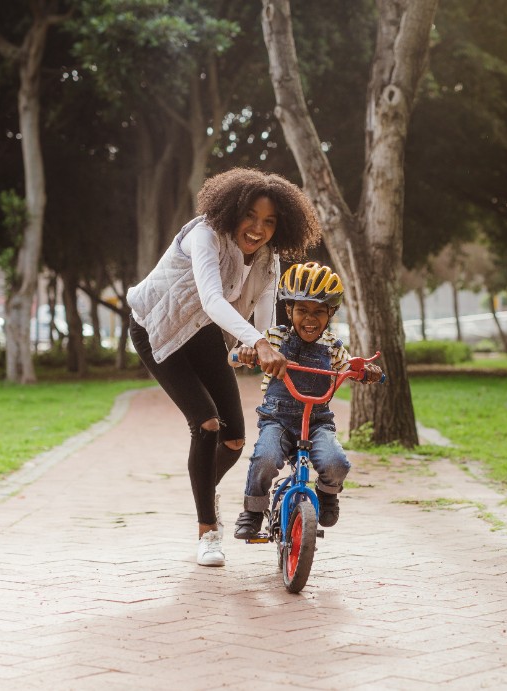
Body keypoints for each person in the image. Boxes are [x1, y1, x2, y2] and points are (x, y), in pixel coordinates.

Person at [127, 168, 321, 567]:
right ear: (232, 210)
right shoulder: (204, 235)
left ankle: (203, 489)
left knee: (233, 439)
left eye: (269, 222)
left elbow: (266, 310)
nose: (257, 228)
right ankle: (208, 531)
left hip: (202, 334)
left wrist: (265, 342)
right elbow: (213, 300)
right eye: (250, 215)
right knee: (207, 424)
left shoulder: (269, 257)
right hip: (156, 329)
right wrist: (257, 342)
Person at [229, 262, 383, 540]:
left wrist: (365, 371)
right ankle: (253, 511)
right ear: (289, 311)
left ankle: (327, 494)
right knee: (265, 459)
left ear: (331, 313)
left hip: (317, 422)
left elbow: (350, 365)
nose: (309, 319)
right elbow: (235, 357)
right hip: (278, 419)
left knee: (337, 463)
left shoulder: (333, 346)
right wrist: (245, 354)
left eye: (319, 311)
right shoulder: (274, 338)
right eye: (302, 310)